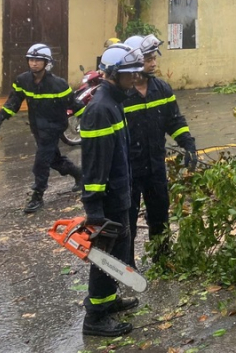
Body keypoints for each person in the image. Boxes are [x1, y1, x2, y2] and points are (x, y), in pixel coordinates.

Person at [79, 43, 144, 337]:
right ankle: (95, 318)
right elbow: (95, 165)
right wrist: (93, 209)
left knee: (116, 255)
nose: (135, 80)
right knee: (104, 257)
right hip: (106, 201)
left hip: (120, 194)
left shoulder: (115, 102)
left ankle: (107, 301)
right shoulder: (100, 110)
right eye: (130, 75)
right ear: (114, 74)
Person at [121, 34, 197, 267]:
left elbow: (174, 120)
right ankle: (126, 264)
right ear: (133, 60)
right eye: (148, 58)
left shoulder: (161, 89)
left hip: (155, 165)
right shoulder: (121, 94)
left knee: (159, 214)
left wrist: (188, 143)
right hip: (128, 170)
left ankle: (162, 257)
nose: (153, 63)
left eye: (154, 58)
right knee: (127, 218)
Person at [0, 43, 83, 214]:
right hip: (37, 128)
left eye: (37, 60)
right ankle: (79, 175)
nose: (33, 63)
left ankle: (37, 196)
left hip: (54, 128)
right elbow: (14, 100)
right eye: (31, 60)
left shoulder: (59, 84)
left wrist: (90, 118)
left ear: (46, 62)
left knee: (41, 161)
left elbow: (75, 104)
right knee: (53, 159)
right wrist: (1, 117)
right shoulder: (23, 80)